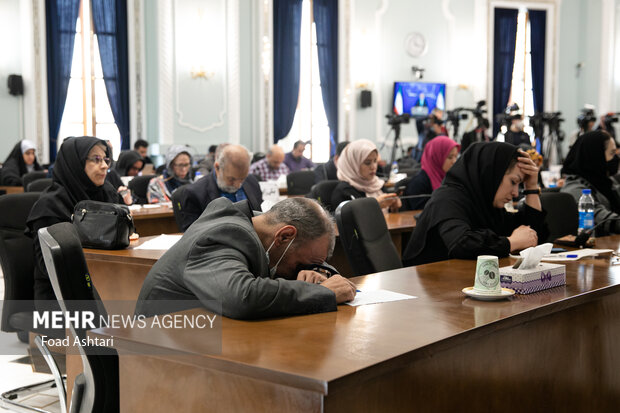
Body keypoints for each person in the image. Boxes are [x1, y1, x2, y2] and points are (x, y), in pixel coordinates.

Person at [135, 197, 357, 320]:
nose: (300, 270)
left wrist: (316, 274)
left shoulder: (262, 227)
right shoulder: (223, 236)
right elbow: (243, 297)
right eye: (300, 264)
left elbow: (319, 262)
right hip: (162, 351)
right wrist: (324, 292)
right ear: (285, 236)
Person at [403, 142, 548, 266]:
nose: (516, 193)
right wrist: (511, 242)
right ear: (491, 175)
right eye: (513, 182)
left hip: (462, 284)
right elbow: (461, 243)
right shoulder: (447, 199)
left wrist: (532, 188)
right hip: (428, 290)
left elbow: (531, 235)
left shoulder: (486, 203)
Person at [26, 136, 132, 301]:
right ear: (75, 163)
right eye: (96, 159)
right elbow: (49, 266)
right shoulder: (50, 205)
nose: (104, 166)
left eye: (106, 159)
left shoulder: (107, 193)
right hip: (62, 295)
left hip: (108, 279)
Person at [176, 144, 264, 232]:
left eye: (242, 179)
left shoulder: (252, 181)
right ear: (217, 167)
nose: (238, 185)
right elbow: (192, 235)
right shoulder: (194, 193)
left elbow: (260, 218)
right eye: (231, 179)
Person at [561, 130, 620, 235]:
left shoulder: (607, 183)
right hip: (593, 247)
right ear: (596, 156)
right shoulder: (575, 189)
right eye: (611, 153)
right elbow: (604, 221)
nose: (615, 159)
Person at [330, 139, 401, 212]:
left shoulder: (378, 184)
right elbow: (346, 219)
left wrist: (393, 207)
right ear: (354, 164)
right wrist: (374, 205)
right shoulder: (343, 191)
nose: (373, 167)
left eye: (375, 161)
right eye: (367, 163)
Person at [403, 136, 460, 210]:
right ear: (436, 157)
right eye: (450, 157)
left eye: (456, 157)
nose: (454, 161)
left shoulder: (451, 180)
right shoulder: (418, 184)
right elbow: (422, 215)